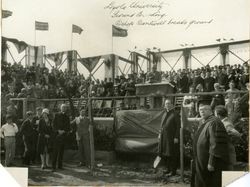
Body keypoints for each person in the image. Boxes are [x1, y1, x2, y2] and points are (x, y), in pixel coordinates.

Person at [193, 104, 232, 187]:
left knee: (210, 182)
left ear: (211, 111)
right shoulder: (205, 122)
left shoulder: (214, 122)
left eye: (205, 109)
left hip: (210, 161)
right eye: (200, 110)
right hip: (203, 160)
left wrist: (211, 162)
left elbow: (215, 144)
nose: (202, 111)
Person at [158, 99, 180, 176]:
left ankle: (173, 171)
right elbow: (162, 125)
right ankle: (168, 169)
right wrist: (160, 133)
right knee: (165, 153)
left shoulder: (175, 114)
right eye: (166, 104)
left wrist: (176, 137)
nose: (167, 105)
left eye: (169, 103)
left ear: (172, 105)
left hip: (172, 138)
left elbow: (178, 127)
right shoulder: (164, 114)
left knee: (172, 154)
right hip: (164, 137)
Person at [51, 104, 70, 172]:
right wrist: (58, 131)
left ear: (66, 109)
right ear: (60, 108)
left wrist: (64, 131)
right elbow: (53, 124)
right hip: (57, 136)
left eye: (65, 107)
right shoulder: (56, 115)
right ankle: (53, 167)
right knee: (55, 151)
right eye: (63, 107)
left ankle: (60, 166)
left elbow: (68, 126)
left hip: (63, 136)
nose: (64, 108)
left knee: (61, 151)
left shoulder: (67, 117)